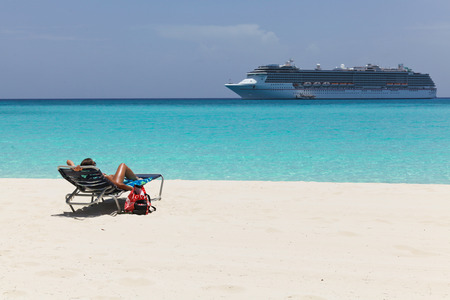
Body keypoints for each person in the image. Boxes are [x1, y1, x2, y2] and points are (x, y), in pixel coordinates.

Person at [66, 158, 139, 191]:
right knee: (122, 165)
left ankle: (135, 178)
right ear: (92, 166)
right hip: (108, 185)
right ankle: (136, 179)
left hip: (94, 186)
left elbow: (68, 161)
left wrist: (74, 167)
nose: (95, 165)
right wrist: (132, 189)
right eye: (94, 164)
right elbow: (118, 185)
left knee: (111, 175)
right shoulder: (100, 176)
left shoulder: (80, 174)